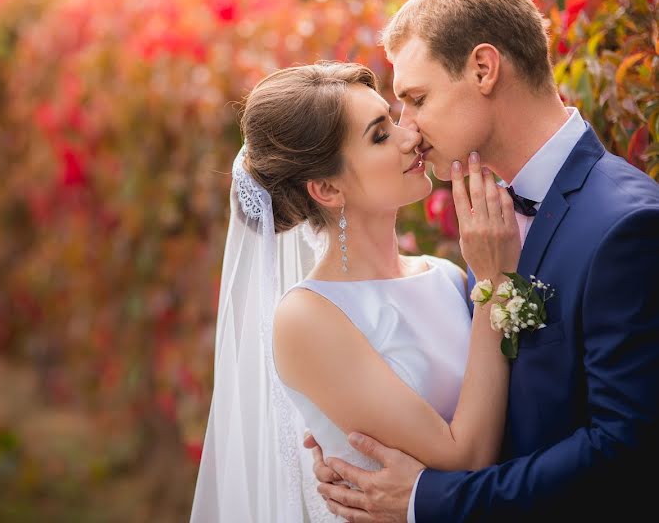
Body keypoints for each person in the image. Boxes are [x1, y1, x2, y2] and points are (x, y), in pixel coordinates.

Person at [307, 0, 659, 522]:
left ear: (483, 69)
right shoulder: (487, 229)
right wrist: (353, 435)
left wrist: (426, 499)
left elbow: (624, 451)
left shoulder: (626, 226)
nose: (410, 131)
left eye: (416, 99)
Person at [190, 59, 522, 523]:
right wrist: (494, 285)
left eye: (392, 117)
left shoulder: (445, 275)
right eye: (380, 135)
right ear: (327, 188)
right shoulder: (308, 318)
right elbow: (465, 457)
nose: (411, 136)